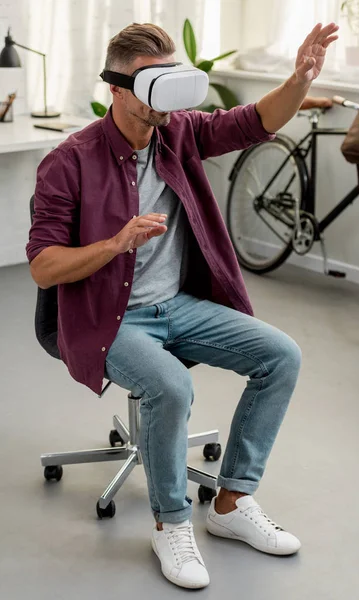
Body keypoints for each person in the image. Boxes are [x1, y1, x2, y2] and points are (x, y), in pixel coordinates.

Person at [27, 21, 338, 589]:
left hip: (179, 305)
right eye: (154, 82)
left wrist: (298, 78)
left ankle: (230, 505)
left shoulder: (180, 133)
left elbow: (255, 121)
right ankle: (171, 523)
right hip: (110, 319)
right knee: (171, 386)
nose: (167, 96)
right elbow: (43, 266)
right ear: (117, 89)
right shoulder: (69, 162)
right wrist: (115, 243)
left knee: (281, 356)